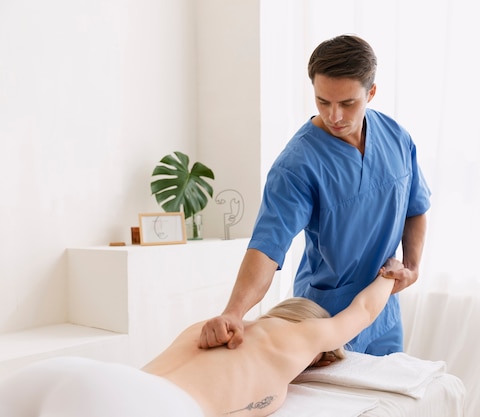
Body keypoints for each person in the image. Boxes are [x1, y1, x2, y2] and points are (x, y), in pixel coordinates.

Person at [199, 34, 431, 355]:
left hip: (382, 310)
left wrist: (413, 266)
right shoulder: (297, 164)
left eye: (347, 103)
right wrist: (233, 313)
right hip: (323, 317)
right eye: (323, 101)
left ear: (371, 93)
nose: (334, 116)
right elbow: (267, 247)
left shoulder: (396, 138)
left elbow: (415, 206)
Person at [0, 259, 401, 417]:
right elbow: (362, 312)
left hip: (77, 375)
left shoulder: (214, 327)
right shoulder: (302, 338)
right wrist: (391, 275)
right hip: (145, 405)